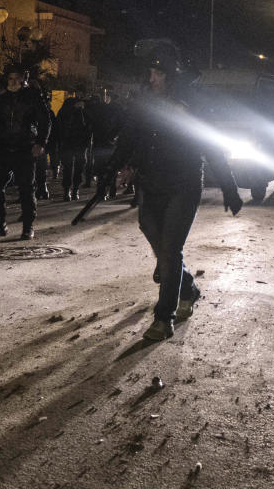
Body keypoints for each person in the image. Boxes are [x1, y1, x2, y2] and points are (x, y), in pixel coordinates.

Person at [100, 55, 243, 341]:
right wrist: (110, 171)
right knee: (155, 238)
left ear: (171, 77)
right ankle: (187, 288)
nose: (152, 78)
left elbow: (211, 146)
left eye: (158, 74)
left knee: (169, 250)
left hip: (184, 184)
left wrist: (229, 186)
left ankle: (163, 318)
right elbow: (129, 139)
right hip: (150, 183)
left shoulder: (192, 107)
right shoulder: (144, 104)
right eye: (150, 72)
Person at [0, 66, 51, 240]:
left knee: (26, 188)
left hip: (24, 147)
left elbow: (45, 120)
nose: (13, 82)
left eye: (17, 78)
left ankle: (28, 226)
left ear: (24, 79)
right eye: (10, 78)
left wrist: (40, 142)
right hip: (3, 147)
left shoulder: (33, 97)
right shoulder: (2, 99)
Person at [57, 93, 92, 201]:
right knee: (73, 167)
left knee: (74, 168)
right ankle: (70, 190)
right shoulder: (73, 109)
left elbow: (89, 126)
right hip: (72, 142)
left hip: (74, 143)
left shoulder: (82, 110)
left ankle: (71, 190)